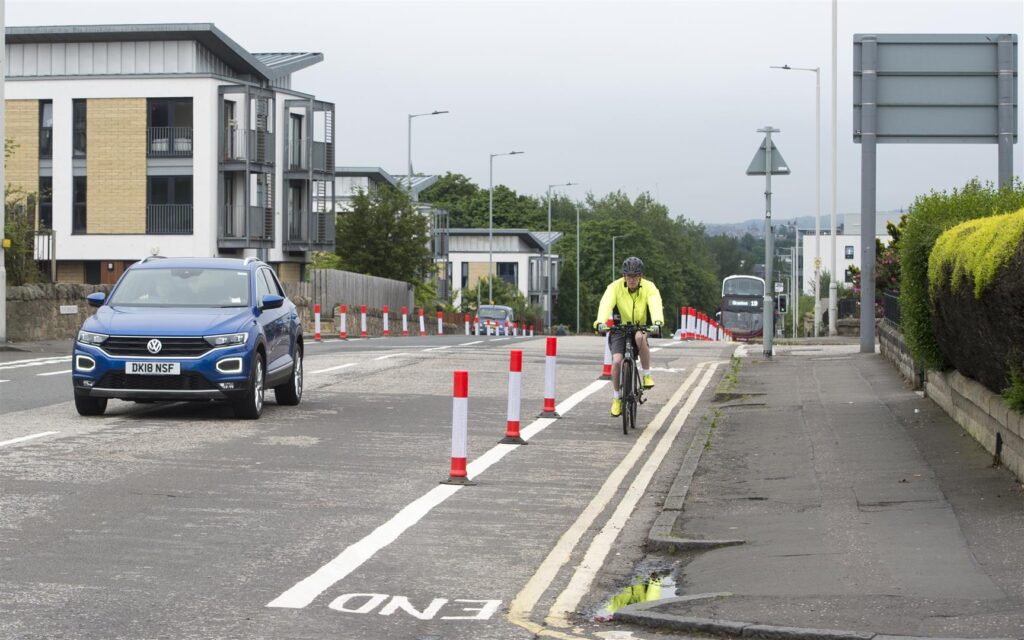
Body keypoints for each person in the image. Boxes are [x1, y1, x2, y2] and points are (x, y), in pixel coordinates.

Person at [593, 256, 665, 417]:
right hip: (620, 328)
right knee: (617, 361)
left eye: (635, 276)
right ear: (624, 276)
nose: (632, 280)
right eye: (629, 276)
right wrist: (600, 322)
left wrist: (658, 322)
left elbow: (655, 304)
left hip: (640, 326)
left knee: (641, 338)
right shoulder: (614, 287)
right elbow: (606, 304)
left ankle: (647, 375)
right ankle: (617, 398)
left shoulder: (649, 287)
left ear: (641, 276)